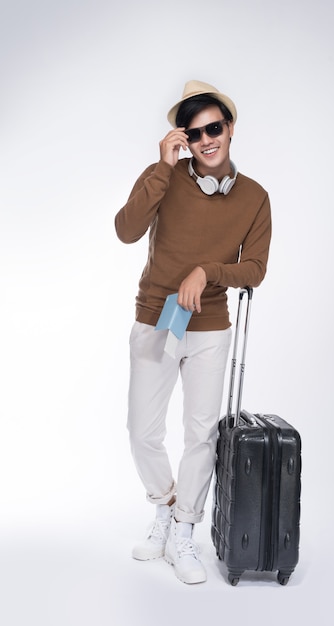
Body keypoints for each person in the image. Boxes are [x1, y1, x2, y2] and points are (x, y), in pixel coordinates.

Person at [114, 80, 272, 584]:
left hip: (209, 327)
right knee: (142, 432)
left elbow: (256, 269)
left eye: (215, 127)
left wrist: (209, 270)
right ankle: (163, 507)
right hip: (154, 319)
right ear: (183, 136)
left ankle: (185, 529)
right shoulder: (165, 177)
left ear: (230, 127)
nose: (207, 139)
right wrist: (162, 166)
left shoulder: (254, 197)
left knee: (201, 435)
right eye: (196, 131)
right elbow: (125, 229)